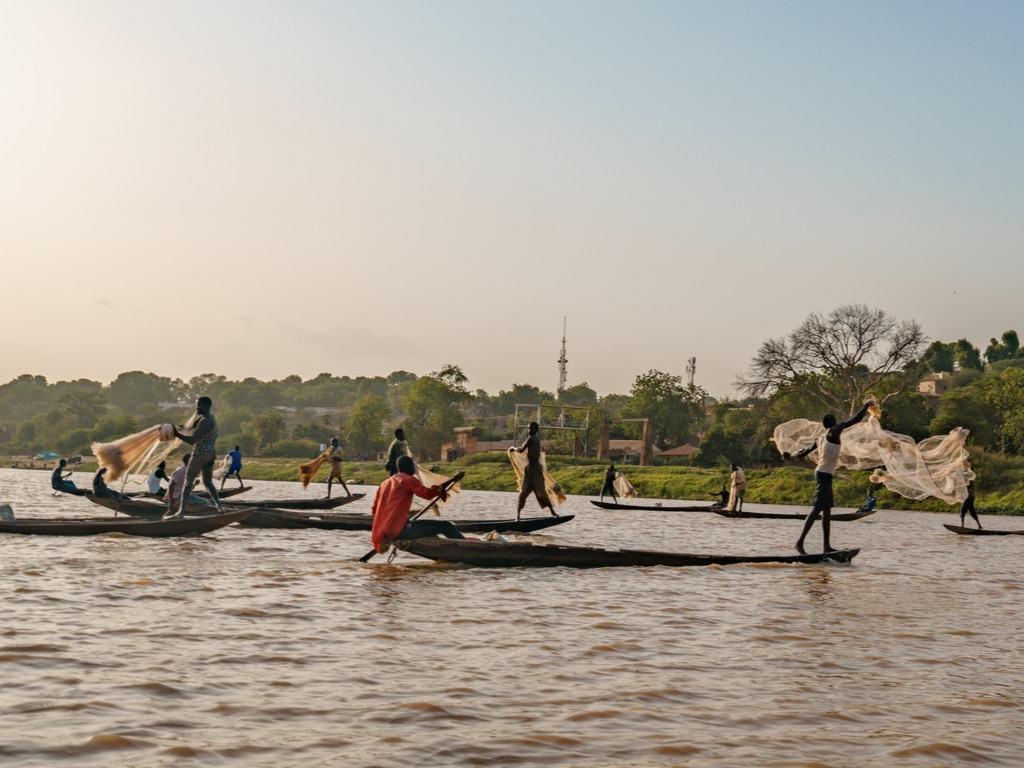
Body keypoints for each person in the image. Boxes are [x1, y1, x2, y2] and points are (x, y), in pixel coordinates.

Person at [794, 400, 874, 554]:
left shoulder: (821, 437)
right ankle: (799, 543)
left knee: (827, 511)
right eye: (836, 421)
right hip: (823, 474)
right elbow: (856, 420)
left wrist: (791, 454)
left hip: (824, 474)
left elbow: (804, 453)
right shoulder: (834, 431)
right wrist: (866, 406)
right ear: (833, 423)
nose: (839, 423)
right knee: (817, 509)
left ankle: (826, 547)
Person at [370, 455, 465, 553]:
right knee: (446, 526)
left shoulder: (385, 483)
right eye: (413, 466)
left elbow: (374, 510)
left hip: (385, 531)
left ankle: (447, 553)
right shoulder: (408, 480)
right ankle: (466, 548)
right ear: (409, 468)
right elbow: (427, 494)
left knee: (432, 535)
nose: (415, 469)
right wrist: (453, 479)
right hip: (400, 531)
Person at [165, 396, 223, 518]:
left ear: (206, 406)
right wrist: (175, 428)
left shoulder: (205, 422)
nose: (196, 408)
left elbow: (193, 440)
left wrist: (176, 434)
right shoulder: (208, 418)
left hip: (200, 454)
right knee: (208, 483)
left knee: (187, 483)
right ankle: (219, 507)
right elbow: (188, 427)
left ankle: (180, 513)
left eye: (198, 405)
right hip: (211, 454)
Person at [513, 421, 557, 517]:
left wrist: (513, 449)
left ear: (536, 430)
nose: (529, 430)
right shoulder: (536, 440)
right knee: (523, 493)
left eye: (531, 429)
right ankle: (518, 516)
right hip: (529, 470)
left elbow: (521, 450)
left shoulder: (532, 438)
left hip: (535, 469)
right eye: (528, 428)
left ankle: (553, 512)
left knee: (541, 492)